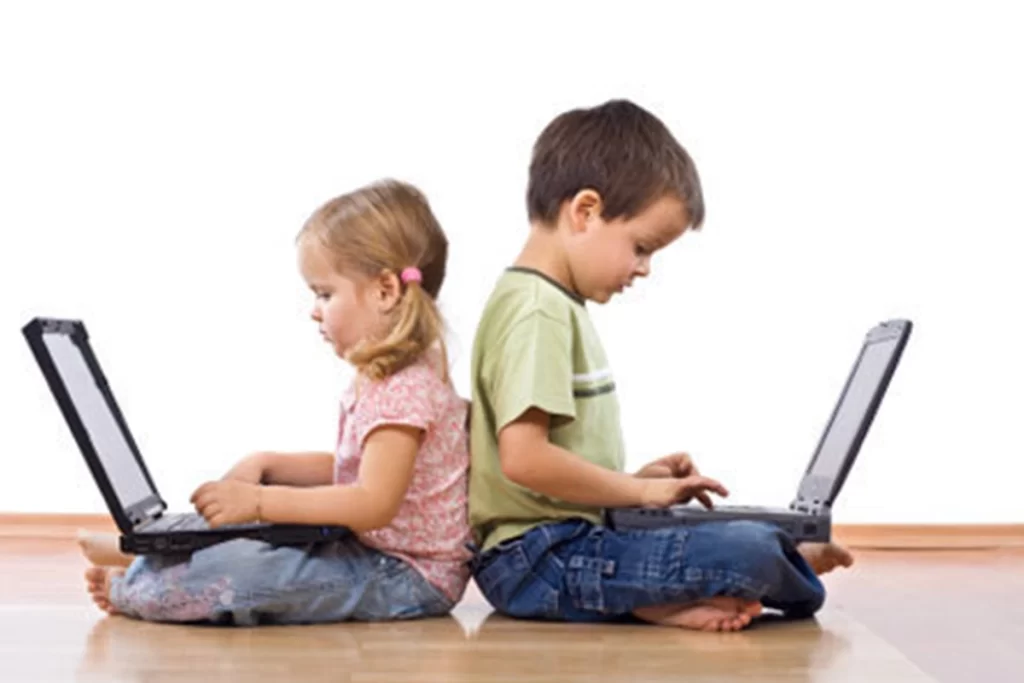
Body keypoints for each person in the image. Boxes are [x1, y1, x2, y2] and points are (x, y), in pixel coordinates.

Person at [467, 99, 853, 633]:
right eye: (642, 247)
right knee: (751, 547)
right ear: (585, 211)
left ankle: (667, 596)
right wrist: (640, 494)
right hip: (537, 561)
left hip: (562, 547)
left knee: (737, 536)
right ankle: (782, 563)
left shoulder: (549, 304)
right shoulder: (538, 311)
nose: (643, 269)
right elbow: (524, 460)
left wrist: (633, 481)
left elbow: (547, 466)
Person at [79, 179, 473, 625]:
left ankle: (137, 586)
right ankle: (156, 557)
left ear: (385, 290)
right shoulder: (386, 378)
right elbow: (358, 469)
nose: (314, 309)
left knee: (246, 572)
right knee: (261, 544)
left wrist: (260, 503)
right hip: (372, 552)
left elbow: (372, 501)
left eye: (324, 293)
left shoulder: (406, 388)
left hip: (407, 576)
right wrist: (267, 464)